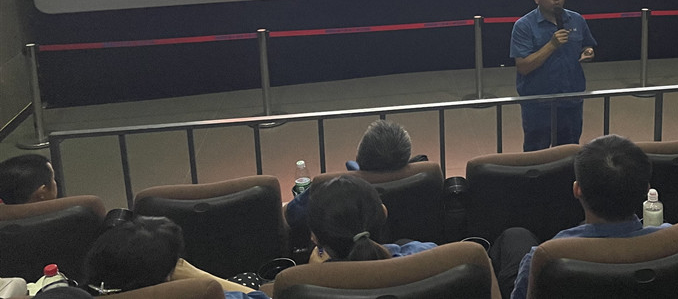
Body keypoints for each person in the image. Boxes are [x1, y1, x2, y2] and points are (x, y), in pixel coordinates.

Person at [508, 134, 668, 299]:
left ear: (577, 189)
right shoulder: (674, 243)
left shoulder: (543, 258)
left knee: (514, 236)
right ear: (646, 190)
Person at [82, 215, 264, 298]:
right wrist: (197, 276)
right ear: (167, 277)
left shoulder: (71, 293)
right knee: (251, 278)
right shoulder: (202, 293)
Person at [285, 119, 424, 228]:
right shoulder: (425, 178)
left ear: (358, 156)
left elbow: (290, 215)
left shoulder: (330, 189)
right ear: (406, 157)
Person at [510, 0, 596, 151]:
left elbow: (587, 45)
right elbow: (523, 67)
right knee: (537, 154)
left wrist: (588, 52)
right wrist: (551, 45)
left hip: (571, 99)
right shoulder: (524, 26)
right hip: (538, 102)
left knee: (568, 151)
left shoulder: (576, 19)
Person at [306, 175, 435, 262]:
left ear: (314, 237)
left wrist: (315, 271)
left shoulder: (305, 284)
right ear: (384, 212)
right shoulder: (433, 257)